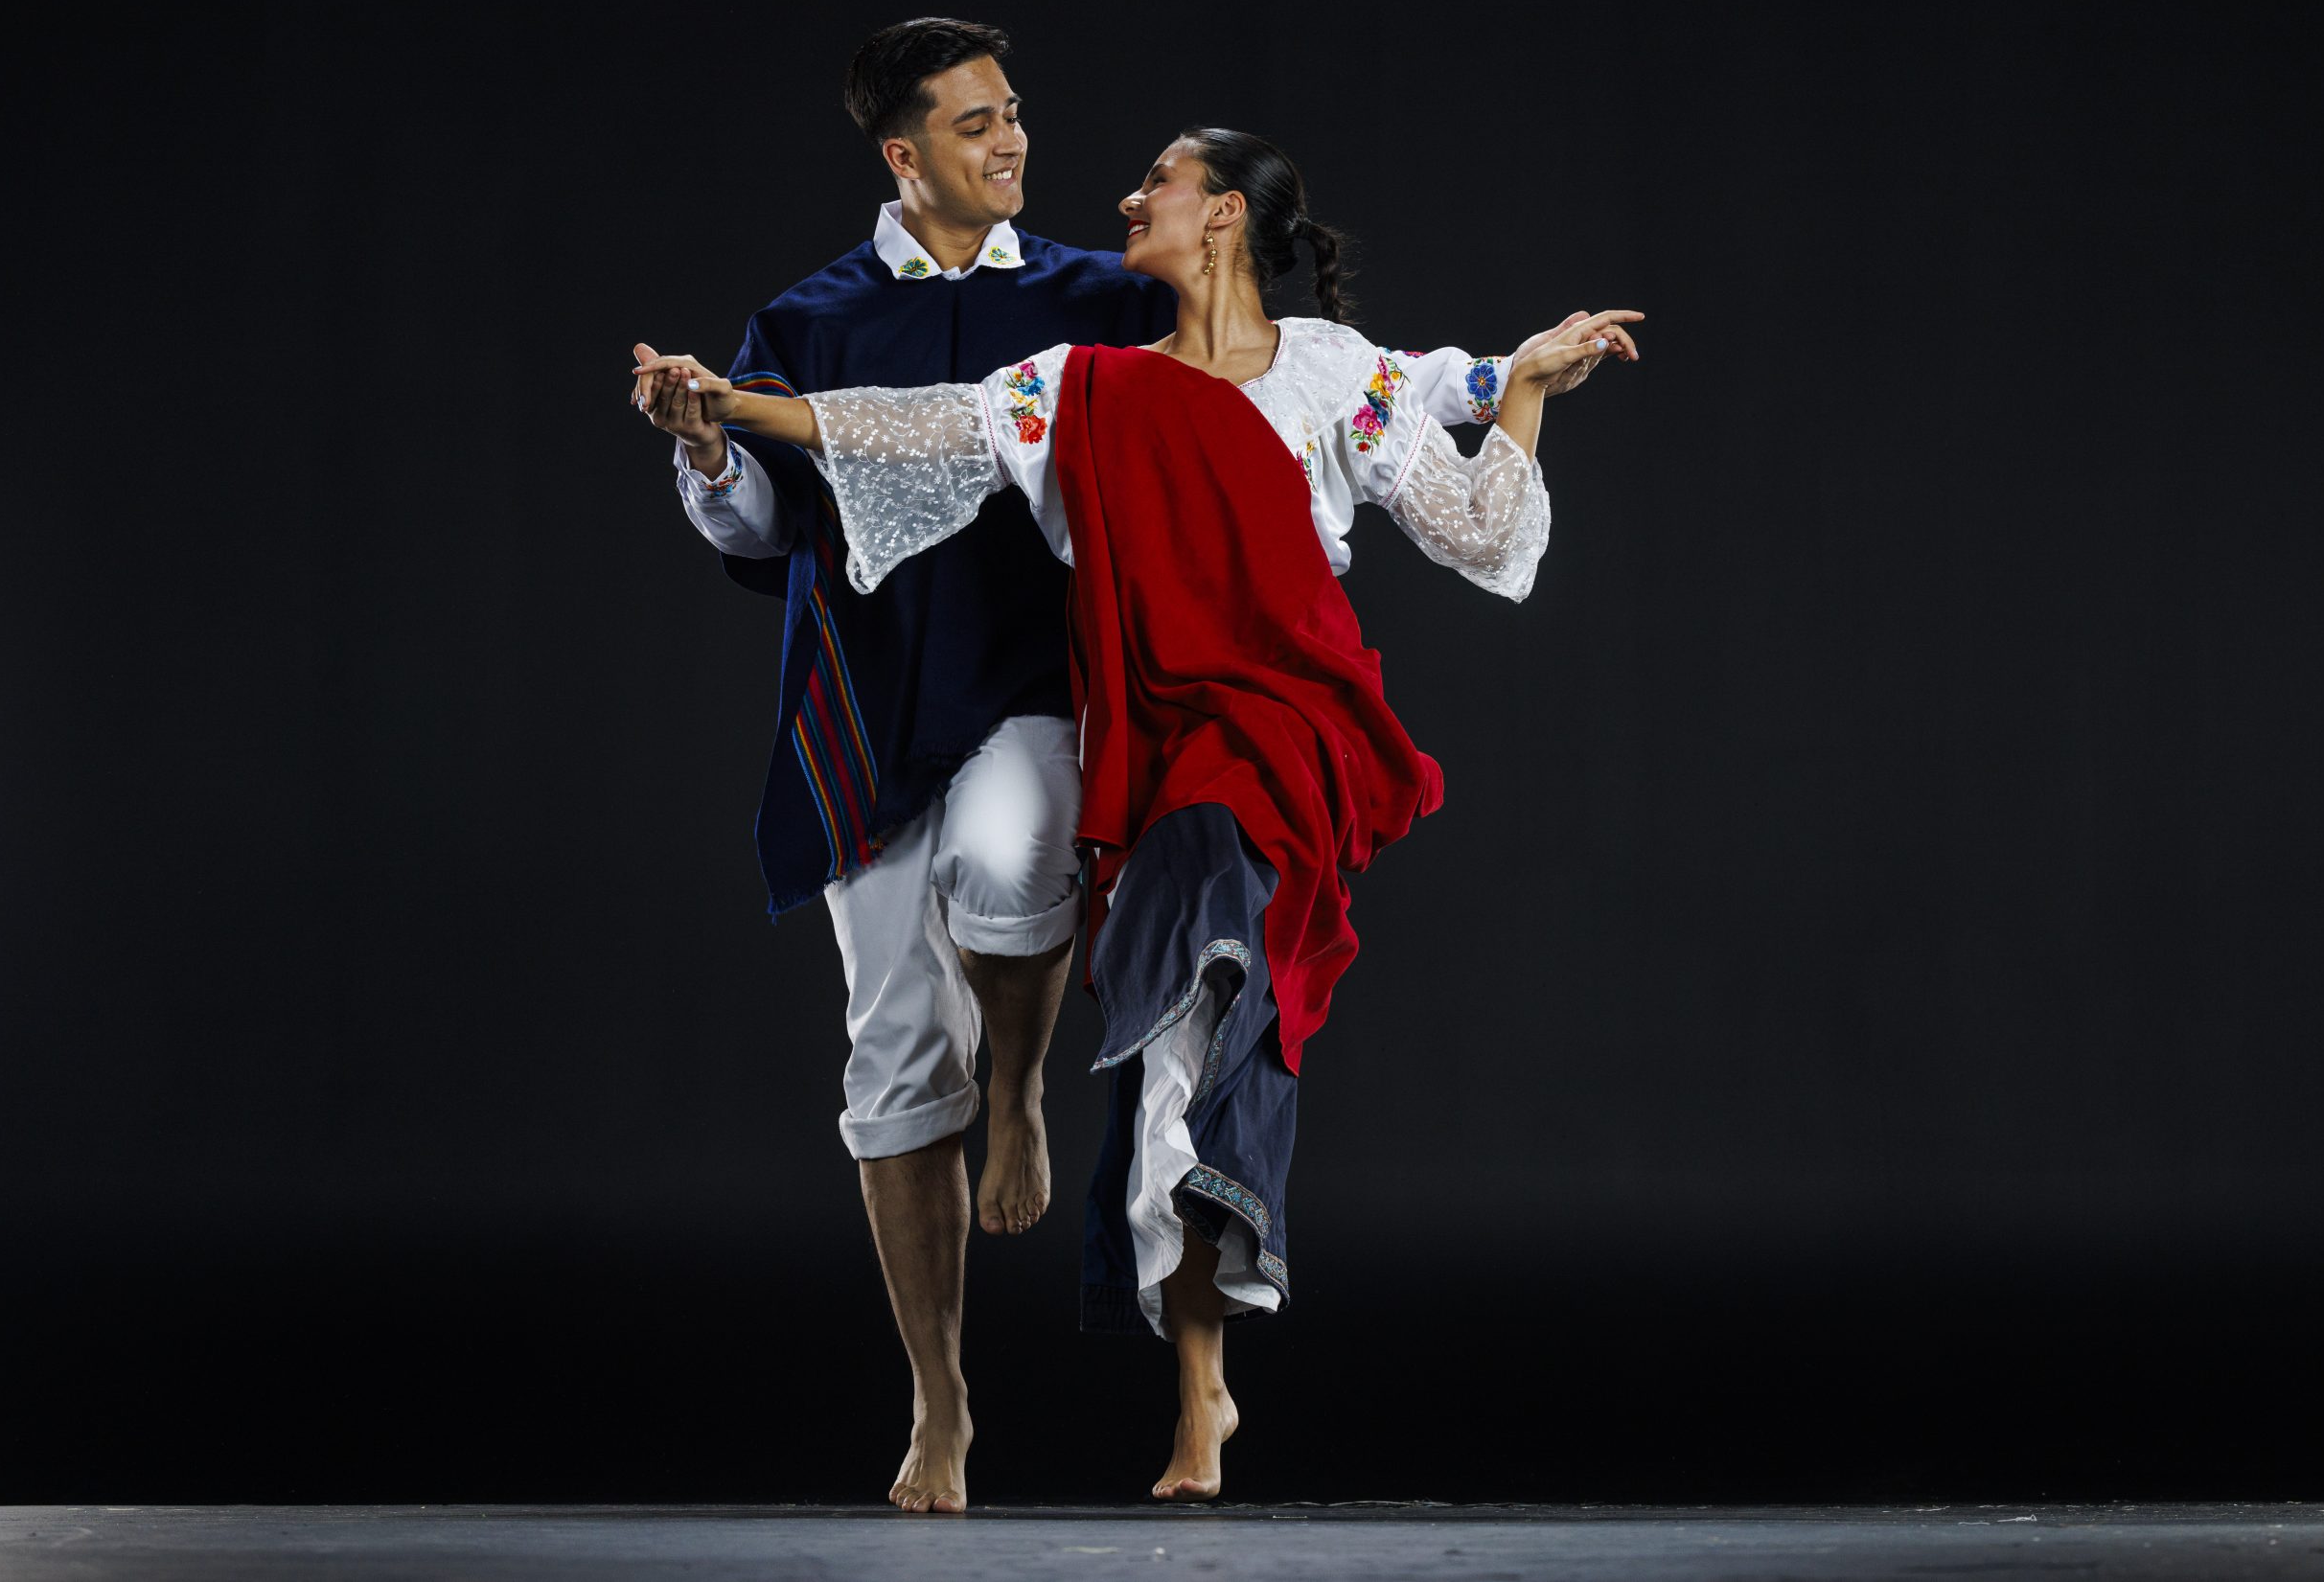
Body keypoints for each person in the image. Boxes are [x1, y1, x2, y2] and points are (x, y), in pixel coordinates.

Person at [637, 125, 1642, 1501]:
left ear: (1222, 215)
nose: (1128, 194)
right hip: (1149, 749)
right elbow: (921, 421)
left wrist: (1518, 387)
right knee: (1181, 1031)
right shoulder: (1085, 385)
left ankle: (1195, 1373)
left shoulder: (1333, 375)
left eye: (1159, 180)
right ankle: (1201, 1391)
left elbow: (1480, 524)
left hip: (1280, 741)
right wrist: (738, 409)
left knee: (1209, 944)